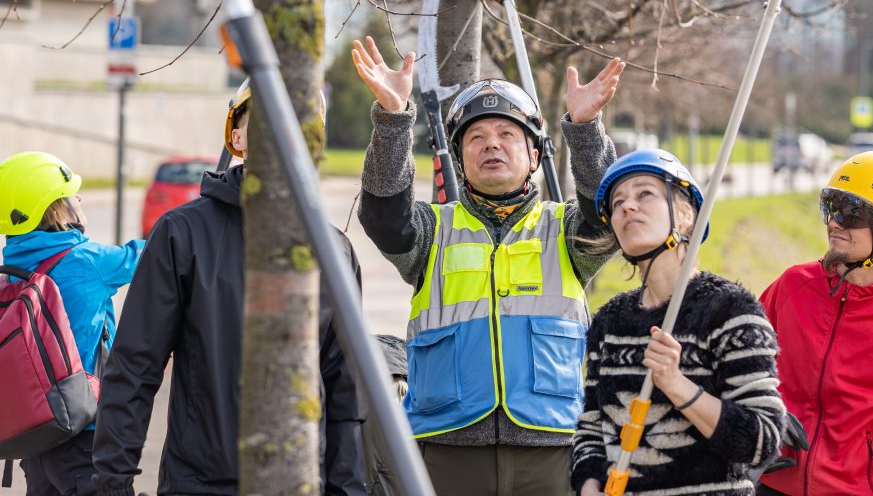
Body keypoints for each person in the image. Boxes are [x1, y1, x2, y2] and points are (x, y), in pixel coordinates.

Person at [351, 35, 624, 496]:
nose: (491, 145)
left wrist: (584, 128)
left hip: (553, 447)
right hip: (447, 448)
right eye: (476, 137)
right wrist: (394, 121)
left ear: (534, 155)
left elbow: (607, 210)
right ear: (460, 161)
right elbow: (383, 214)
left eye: (506, 135)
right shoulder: (432, 231)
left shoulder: (566, 231)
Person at [91, 82, 368, 496]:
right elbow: (134, 367)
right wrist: (111, 482)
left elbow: (346, 391)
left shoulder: (334, 252)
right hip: (200, 485)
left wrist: (347, 491)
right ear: (237, 137)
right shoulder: (181, 234)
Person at [571, 149, 786, 495]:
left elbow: (762, 441)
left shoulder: (731, 311)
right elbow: (592, 429)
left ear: (686, 215)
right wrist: (589, 486)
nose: (627, 206)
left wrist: (676, 384)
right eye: (617, 202)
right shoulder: (609, 322)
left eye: (645, 194)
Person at [757, 151, 873, 496]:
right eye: (831, 206)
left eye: (852, 211)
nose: (834, 222)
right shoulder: (792, 286)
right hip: (768, 483)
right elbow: (737, 359)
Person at [0, 151, 144, 495]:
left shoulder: (10, 276)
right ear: (56, 208)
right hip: (84, 434)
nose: (77, 199)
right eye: (71, 195)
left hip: (36, 435)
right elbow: (151, 254)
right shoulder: (86, 260)